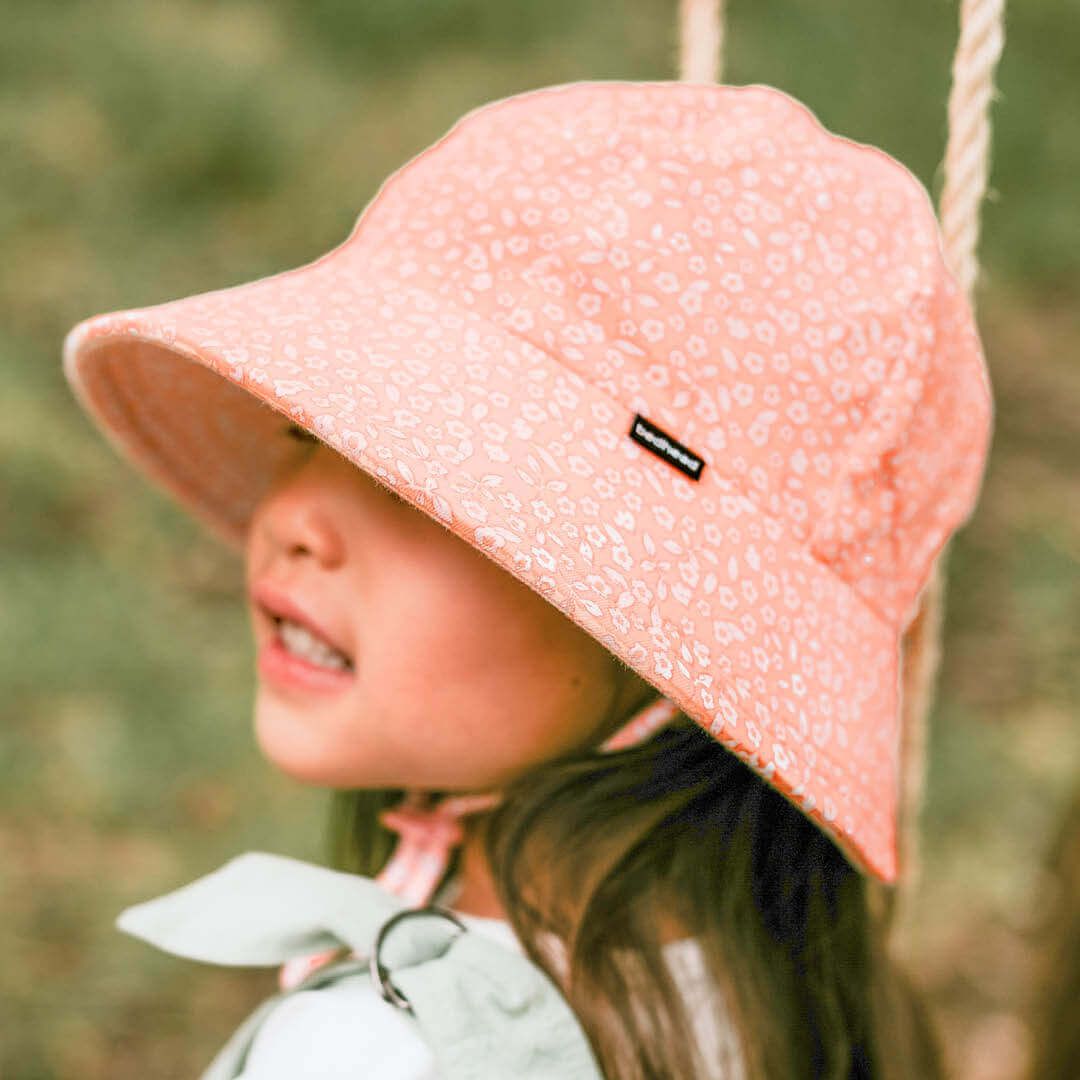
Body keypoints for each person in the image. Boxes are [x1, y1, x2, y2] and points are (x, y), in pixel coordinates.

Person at [61, 79, 995, 1079]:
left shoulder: (367, 1051)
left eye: (420, 487)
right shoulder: (796, 1005)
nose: (289, 519)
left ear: (671, 646)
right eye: (307, 429)